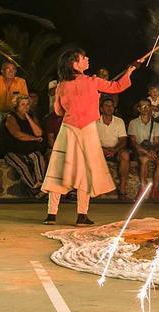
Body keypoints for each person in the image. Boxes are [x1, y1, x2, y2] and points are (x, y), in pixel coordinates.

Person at [42, 49, 139, 225]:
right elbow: (117, 87)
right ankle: (81, 215)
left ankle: (51, 214)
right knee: (85, 172)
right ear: (74, 63)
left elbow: (57, 111)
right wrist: (130, 71)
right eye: (83, 58)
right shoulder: (92, 81)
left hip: (68, 129)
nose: (87, 59)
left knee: (58, 170)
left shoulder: (61, 85)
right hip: (87, 130)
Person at [2, 95, 47, 195]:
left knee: (38, 157)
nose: (25, 107)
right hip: (13, 150)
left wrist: (28, 118)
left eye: (27, 104)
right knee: (23, 166)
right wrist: (34, 139)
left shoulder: (31, 116)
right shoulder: (10, 117)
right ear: (16, 106)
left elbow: (39, 133)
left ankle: (40, 184)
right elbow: (17, 134)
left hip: (28, 149)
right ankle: (34, 189)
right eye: (22, 104)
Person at [128, 99, 159, 200]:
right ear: (138, 109)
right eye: (143, 106)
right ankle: (143, 187)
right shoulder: (133, 123)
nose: (146, 109)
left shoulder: (155, 124)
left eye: (148, 106)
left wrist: (153, 151)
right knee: (144, 159)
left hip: (150, 150)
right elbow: (133, 142)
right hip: (139, 150)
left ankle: (155, 189)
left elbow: (156, 142)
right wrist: (145, 152)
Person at [94, 96, 132, 199]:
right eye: (106, 106)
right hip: (100, 150)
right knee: (90, 156)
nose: (109, 108)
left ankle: (122, 188)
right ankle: (96, 189)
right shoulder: (95, 121)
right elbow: (92, 140)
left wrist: (114, 150)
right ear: (101, 109)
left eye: (111, 106)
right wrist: (103, 150)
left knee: (125, 155)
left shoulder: (119, 121)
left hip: (116, 150)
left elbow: (123, 140)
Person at [0, 61, 29, 153]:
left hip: (13, 112)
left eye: (13, 69)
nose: (11, 71)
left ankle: (13, 150)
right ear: (2, 71)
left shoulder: (21, 82)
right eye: (8, 69)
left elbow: (24, 100)